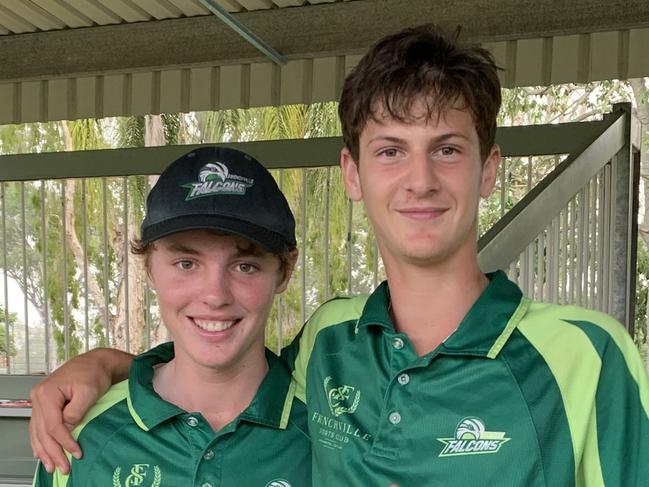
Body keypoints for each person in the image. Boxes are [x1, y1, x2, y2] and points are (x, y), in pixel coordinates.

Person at [31, 25, 649, 486]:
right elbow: (216, 368)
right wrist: (103, 365)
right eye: (390, 151)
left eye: (448, 149)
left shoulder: (586, 356)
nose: (420, 180)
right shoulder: (329, 342)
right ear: (351, 173)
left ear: (489, 169)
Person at [31, 147, 310, 486]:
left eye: (245, 266)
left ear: (285, 271)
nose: (215, 296)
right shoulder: (81, 433)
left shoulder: (331, 429)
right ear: (148, 267)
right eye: (186, 264)